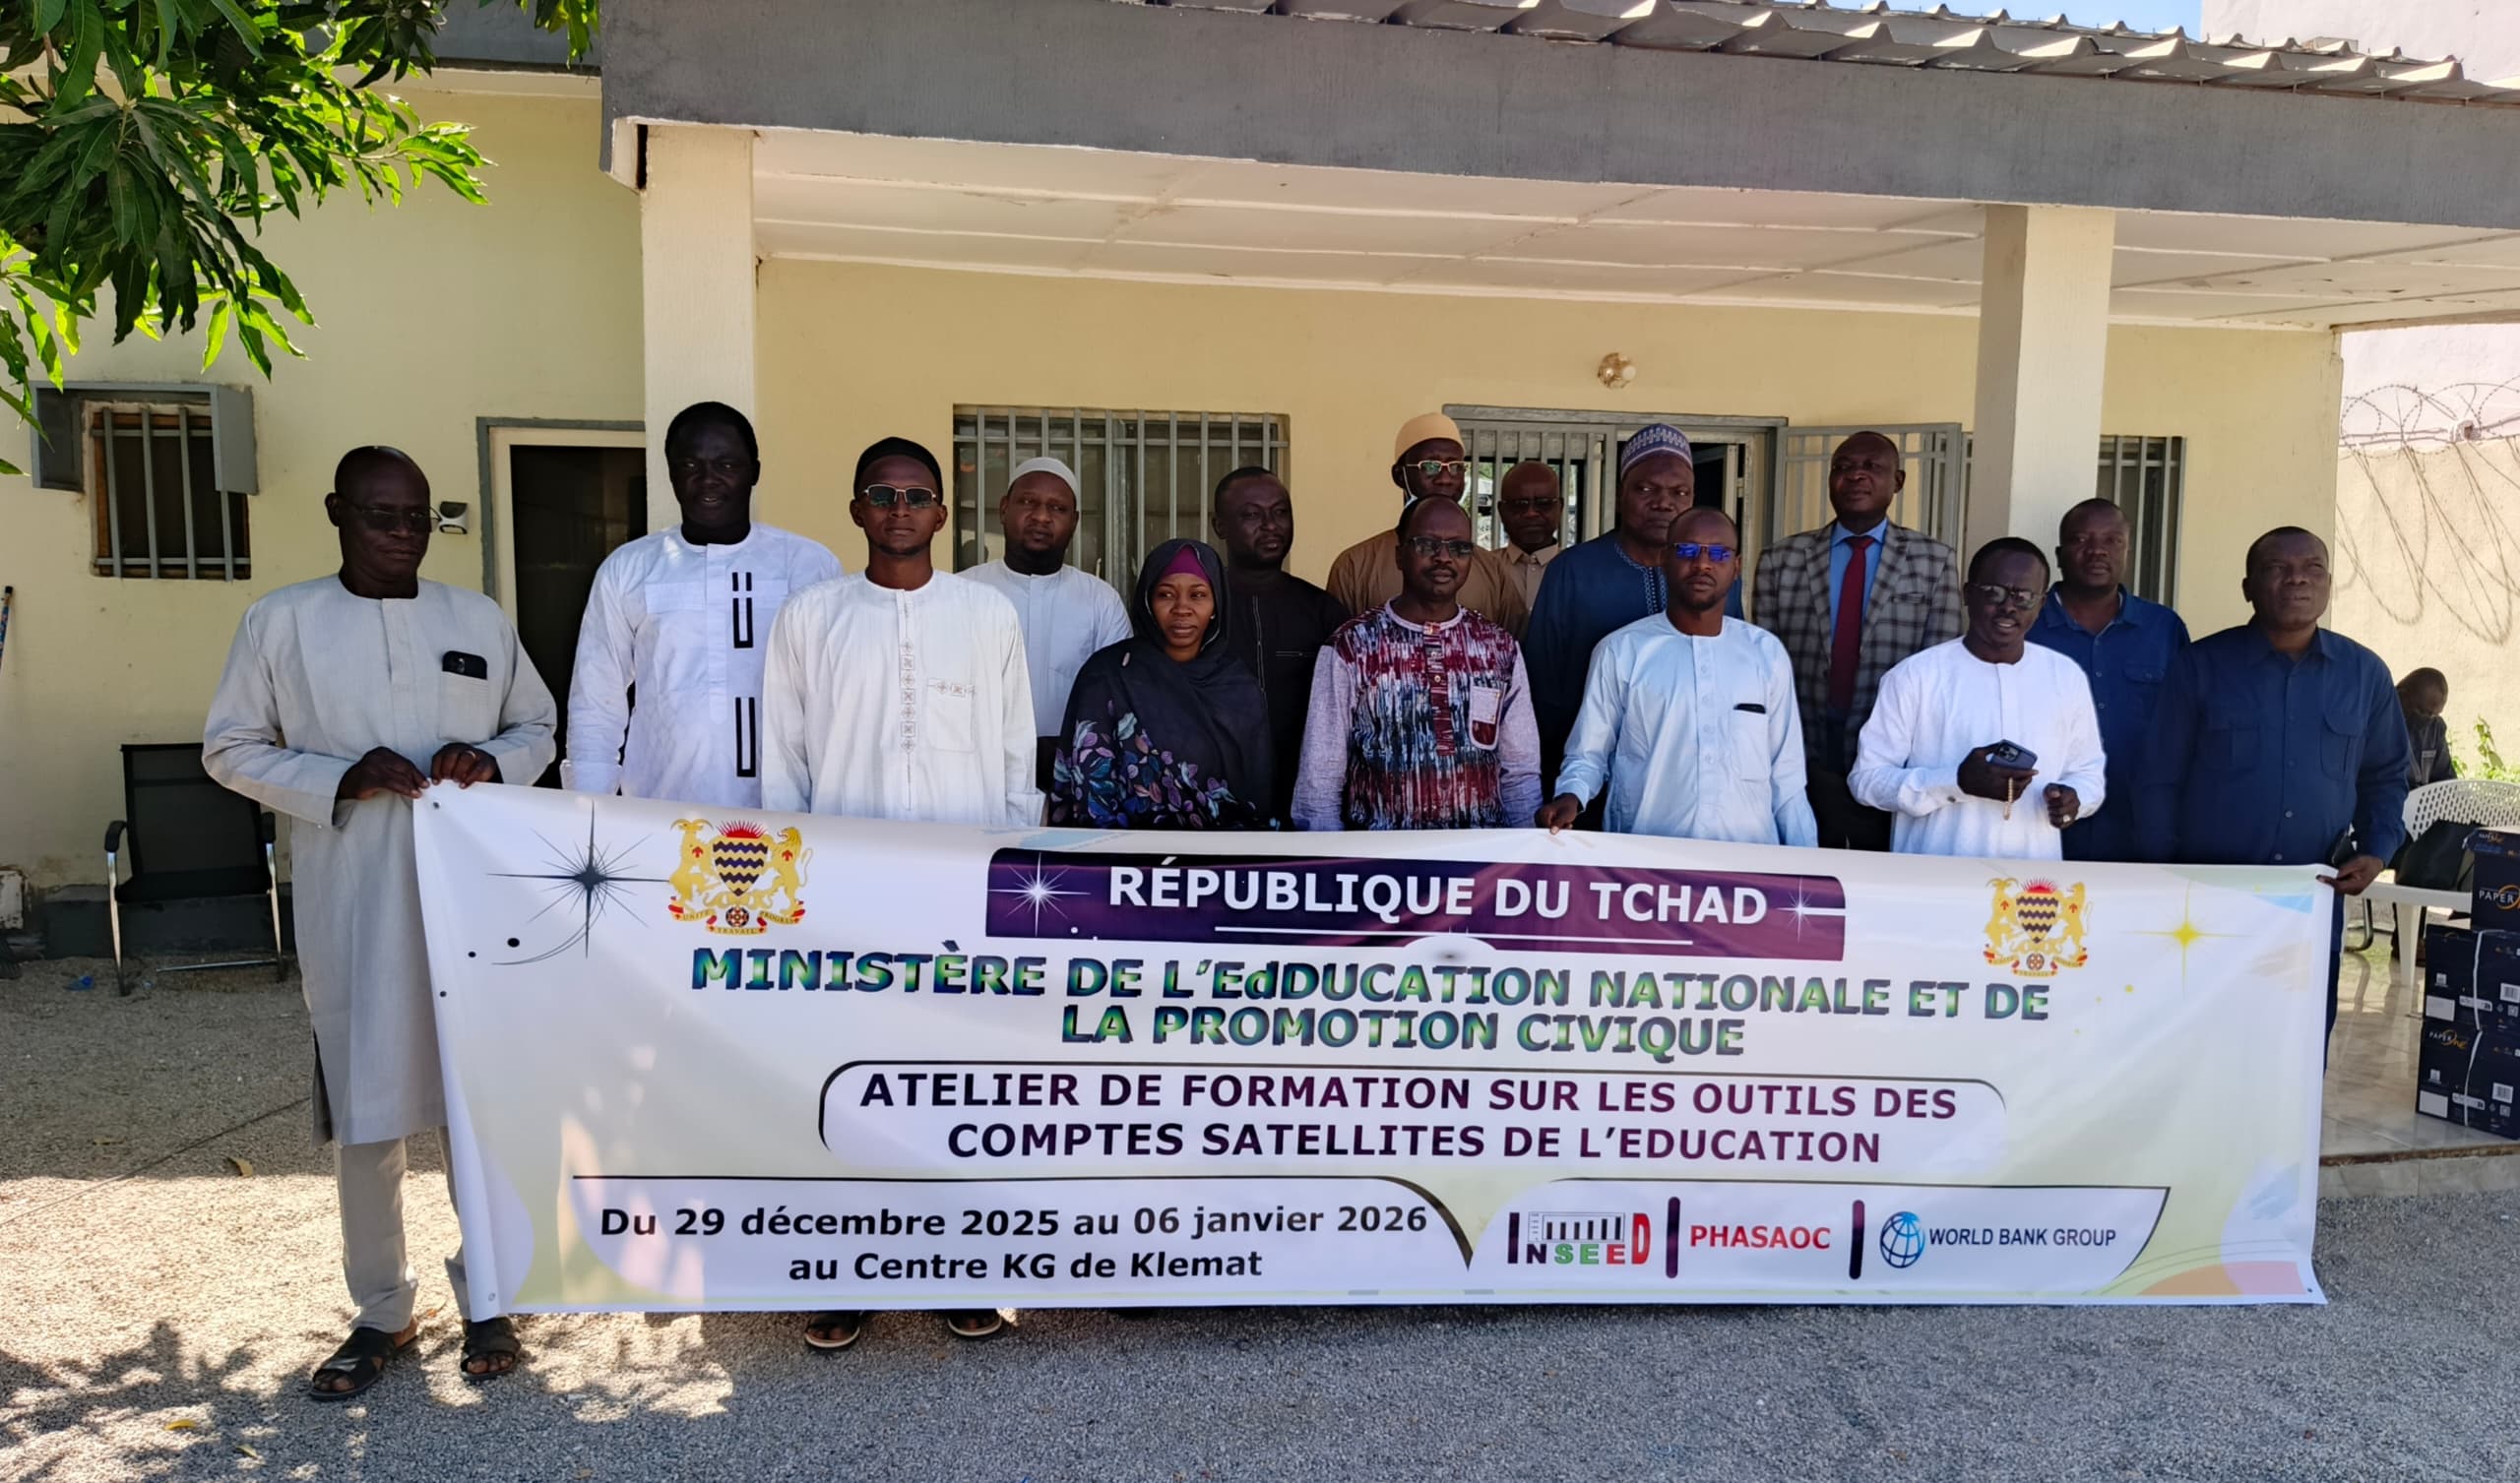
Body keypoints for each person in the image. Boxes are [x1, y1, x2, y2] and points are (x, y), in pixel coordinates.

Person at [203, 447, 556, 1398]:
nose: (402, 534)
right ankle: (382, 1309)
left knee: (475, 1100)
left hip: (469, 900)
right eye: (379, 515)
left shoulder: (474, 618)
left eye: (416, 517)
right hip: (352, 892)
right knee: (368, 1104)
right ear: (336, 512)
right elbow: (229, 748)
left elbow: (537, 726)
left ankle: (488, 1291)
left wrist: (489, 759)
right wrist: (339, 777)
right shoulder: (281, 621)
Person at [761, 437, 1034, 1351]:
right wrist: (801, 892)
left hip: (962, 892)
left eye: (917, 495)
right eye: (882, 494)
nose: (900, 509)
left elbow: (1014, 758)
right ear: (856, 510)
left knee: (960, 1085)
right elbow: (783, 762)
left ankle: (964, 1270)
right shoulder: (812, 616)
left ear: (943, 512)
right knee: (848, 1084)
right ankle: (847, 1273)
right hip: (849, 893)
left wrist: (1005, 880)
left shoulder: (986, 614)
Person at [2142, 526, 2410, 1036]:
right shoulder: (2200, 666)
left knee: (2299, 1042)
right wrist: (2165, 875)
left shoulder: (2364, 674)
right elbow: (2159, 776)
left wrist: (2377, 850)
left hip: (2313, 897)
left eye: (2312, 569)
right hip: (2212, 898)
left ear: (2328, 583)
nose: (2297, 580)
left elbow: (2385, 774)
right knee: (2204, 1038)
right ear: (2248, 587)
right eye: (2277, 569)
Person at [565, 402, 839, 807]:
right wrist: (587, 809)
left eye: (727, 465)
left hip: (786, 812)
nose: (708, 480)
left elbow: (833, 696)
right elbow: (595, 701)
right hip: (662, 806)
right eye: (691, 466)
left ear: (754, 471)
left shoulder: (807, 565)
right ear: (671, 473)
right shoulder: (629, 568)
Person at [1538, 508, 1814, 845]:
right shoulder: (1621, 651)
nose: (1702, 564)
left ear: (1737, 567)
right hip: (1645, 857)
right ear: (1665, 560)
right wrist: (1571, 796)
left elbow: (1787, 777)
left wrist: (1808, 863)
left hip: (1748, 860)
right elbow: (1588, 754)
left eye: (1718, 553)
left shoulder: (1766, 654)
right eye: (1687, 550)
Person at [1752, 431, 1964, 851]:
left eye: (1871, 467)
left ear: (1898, 481)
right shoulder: (1782, 559)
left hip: (1894, 760)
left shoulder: (1934, 560)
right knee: (1806, 874)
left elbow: (1940, 670)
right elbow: (1764, 666)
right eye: (1844, 467)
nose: (1856, 476)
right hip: (1803, 754)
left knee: (1883, 875)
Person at [1292, 497, 1542, 831]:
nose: (1444, 558)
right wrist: (1328, 857)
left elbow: (1520, 773)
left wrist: (1526, 850)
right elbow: (1320, 778)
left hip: (1478, 857)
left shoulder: (1498, 648)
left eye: (1459, 548)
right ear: (1399, 555)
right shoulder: (1351, 646)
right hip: (1379, 858)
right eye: (1427, 544)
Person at [1849, 538, 2105, 860]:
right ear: (1967, 594)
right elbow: (1866, 781)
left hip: (2033, 882)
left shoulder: (2065, 677)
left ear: (2040, 604)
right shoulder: (1915, 676)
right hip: (1935, 877)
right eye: (1994, 592)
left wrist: (2074, 799)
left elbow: (2088, 772)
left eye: (2024, 597)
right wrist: (1954, 782)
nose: (2008, 607)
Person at [1050, 539, 1272, 830]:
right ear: (1147, 601)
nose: (1182, 608)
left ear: (1216, 605)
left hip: (1221, 855)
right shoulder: (1108, 676)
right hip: (1124, 853)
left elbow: (1257, 792)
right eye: (1166, 595)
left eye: (1198, 595)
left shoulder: (1238, 686)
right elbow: (1090, 791)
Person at [2025, 498, 2190, 863]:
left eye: (2112, 540)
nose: (2097, 550)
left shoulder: (2163, 628)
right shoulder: (2026, 626)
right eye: (2081, 539)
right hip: (2041, 820)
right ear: (2059, 554)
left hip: (2139, 824)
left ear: (2127, 551)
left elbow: (2186, 724)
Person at [1525, 425, 1696, 773]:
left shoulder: (1708, 575)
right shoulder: (1572, 571)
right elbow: (1541, 686)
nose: (1664, 503)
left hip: (1684, 773)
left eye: (1679, 492)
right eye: (1646, 489)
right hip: (1588, 773)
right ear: (1620, 495)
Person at [962, 457, 1133, 788]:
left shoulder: (1100, 600)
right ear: (1003, 509)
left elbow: (1118, 697)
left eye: (1057, 508)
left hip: (1072, 775)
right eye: (1028, 502)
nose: (1041, 516)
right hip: (979, 771)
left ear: (1074, 521)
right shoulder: (965, 591)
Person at [1209, 465, 1348, 826]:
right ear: (1219, 526)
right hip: (1213, 806)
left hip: (1302, 807)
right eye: (1252, 515)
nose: (1271, 525)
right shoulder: (1199, 610)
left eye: (1281, 512)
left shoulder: (1323, 611)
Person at [1323, 412, 1530, 634]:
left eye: (1455, 467)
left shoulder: (1492, 570)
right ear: (1399, 475)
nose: (1445, 478)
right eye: (1430, 466)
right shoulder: (1355, 567)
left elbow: (1513, 645)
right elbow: (1339, 645)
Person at [1494, 461, 1564, 610]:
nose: (1531, 513)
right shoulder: (1482, 570)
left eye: (1543, 503)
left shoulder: (1581, 571)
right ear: (1501, 511)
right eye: (1519, 504)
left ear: (1560, 507)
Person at [2399, 667, 2456, 787]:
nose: (2428, 720)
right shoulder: (2381, 724)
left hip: (2425, 798)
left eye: (2434, 714)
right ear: (2402, 696)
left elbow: (2445, 780)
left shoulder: (2435, 727)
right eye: (2422, 711)